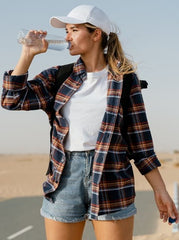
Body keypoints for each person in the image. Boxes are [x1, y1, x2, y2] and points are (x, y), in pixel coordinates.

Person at [1, 4, 178, 240]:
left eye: (74, 30)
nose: (66, 36)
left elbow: (141, 143)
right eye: (66, 30)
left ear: (96, 34)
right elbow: (11, 99)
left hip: (113, 179)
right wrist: (27, 55)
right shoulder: (58, 77)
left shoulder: (125, 80)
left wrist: (160, 189)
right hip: (64, 179)